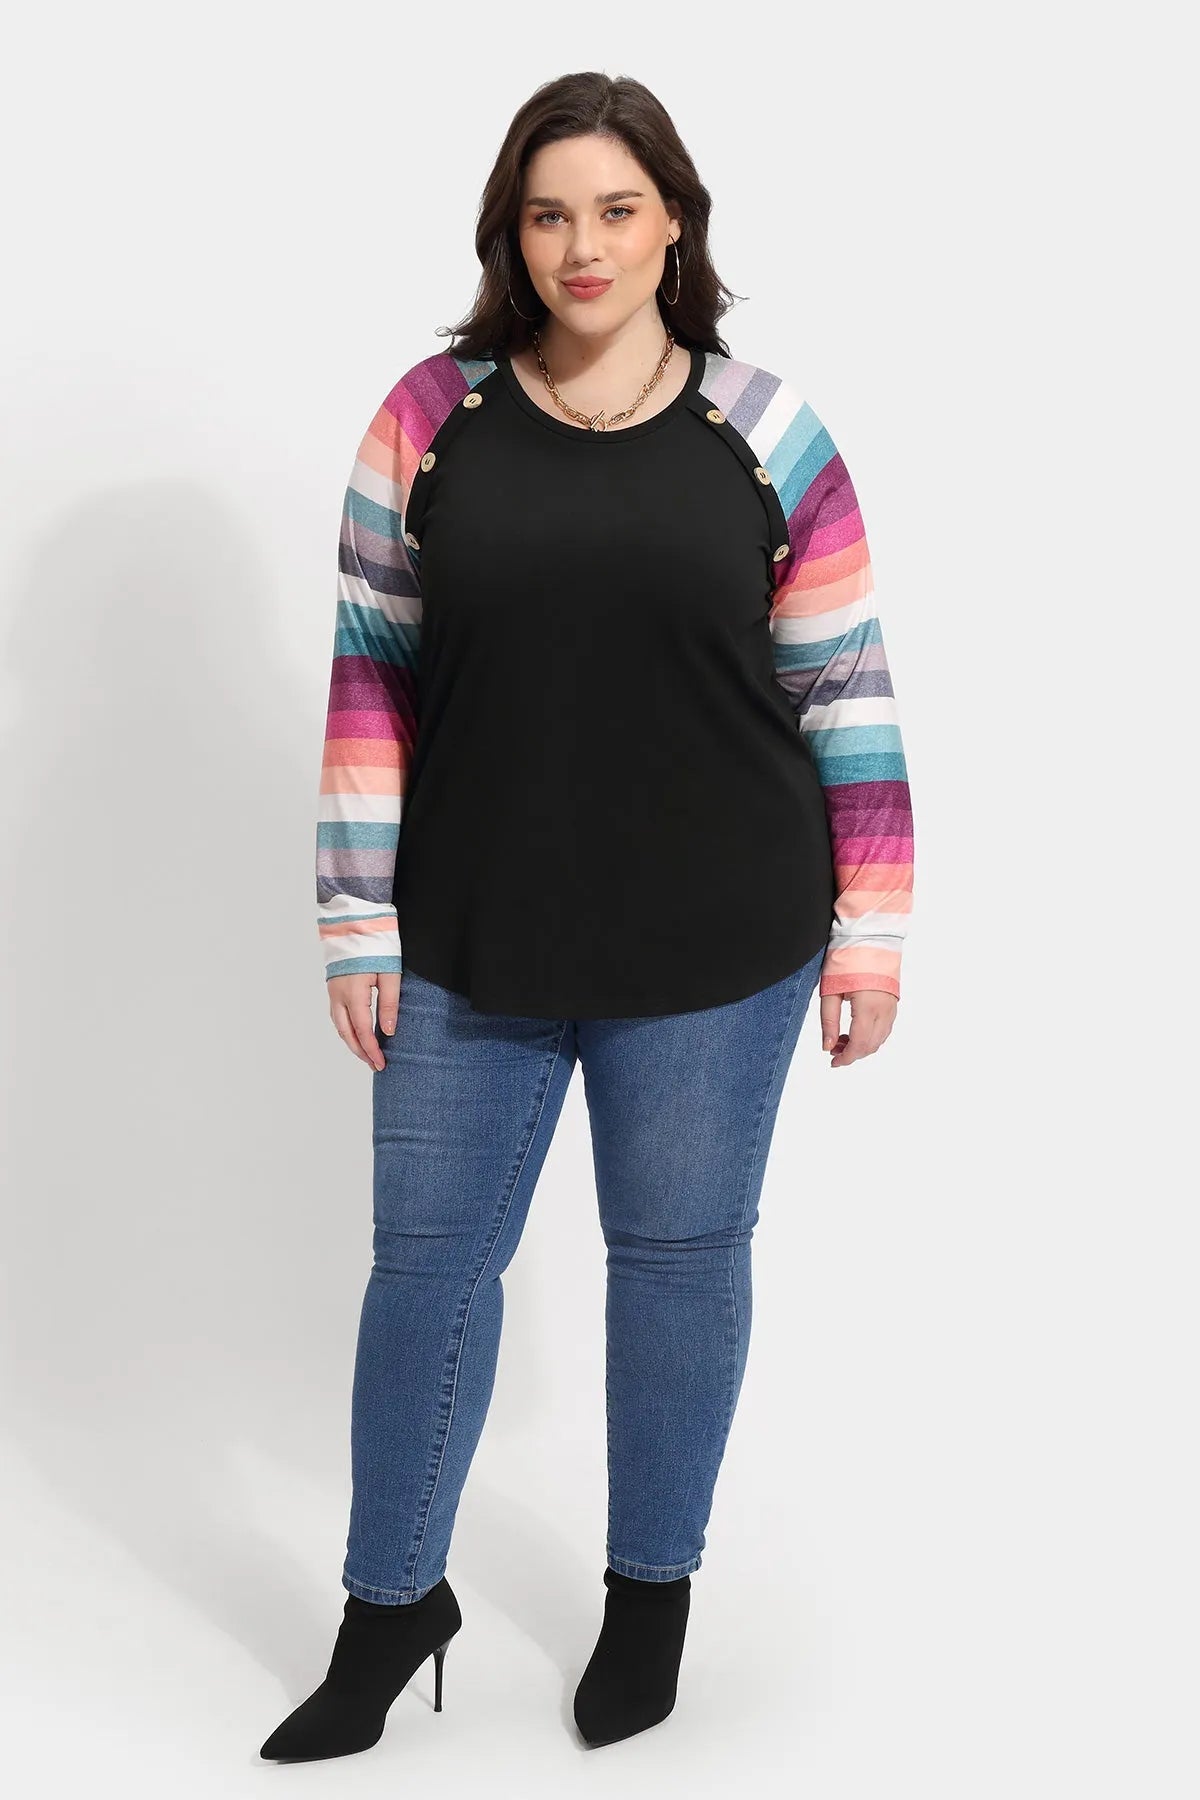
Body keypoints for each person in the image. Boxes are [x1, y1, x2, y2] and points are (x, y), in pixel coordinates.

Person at [261, 69, 914, 1763]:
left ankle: (651, 1597)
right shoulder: (430, 419)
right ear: (511, 234)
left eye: (617, 210)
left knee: (679, 1269)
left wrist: (872, 923)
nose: (584, 246)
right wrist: (353, 920)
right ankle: (390, 1607)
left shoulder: (770, 433)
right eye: (549, 214)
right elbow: (371, 675)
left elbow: (843, 689)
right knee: (426, 1277)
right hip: (468, 935)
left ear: (673, 223)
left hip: (718, 942)